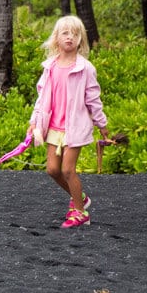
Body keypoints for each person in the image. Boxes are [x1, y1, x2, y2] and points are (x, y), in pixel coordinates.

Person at [28, 15, 109, 228]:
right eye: (65, 33)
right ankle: (80, 197)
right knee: (52, 170)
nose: (70, 37)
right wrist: (34, 122)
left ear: (81, 40)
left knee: (67, 170)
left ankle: (81, 213)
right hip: (53, 126)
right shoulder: (50, 67)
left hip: (75, 127)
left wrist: (102, 124)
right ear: (56, 38)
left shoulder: (85, 68)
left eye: (75, 34)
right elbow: (41, 97)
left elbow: (93, 99)